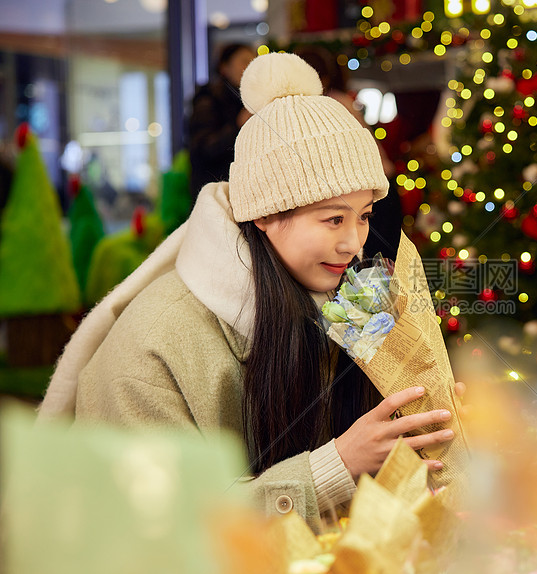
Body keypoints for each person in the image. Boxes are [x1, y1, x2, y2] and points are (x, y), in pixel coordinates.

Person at [39, 53, 458, 530]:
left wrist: (416, 430)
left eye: (364, 215)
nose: (354, 242)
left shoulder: (347, 304)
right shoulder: (154, 346)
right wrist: (333, 468)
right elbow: (151, 527)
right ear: (264, 213)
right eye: (332, 218)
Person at [295, 45, 402, 262]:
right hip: (375, 189)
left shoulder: (328, 104)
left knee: (373, 269)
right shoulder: (336, 100)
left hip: (373, 193)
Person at [188, 43, 255, 203]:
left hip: (243, 195)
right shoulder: (208, 99)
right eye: (245, 61)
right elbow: (203, 149)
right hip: (214, 198)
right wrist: (238, 125)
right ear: (224, 67)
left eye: (254, 62)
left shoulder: (248, 99)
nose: (251, 68)